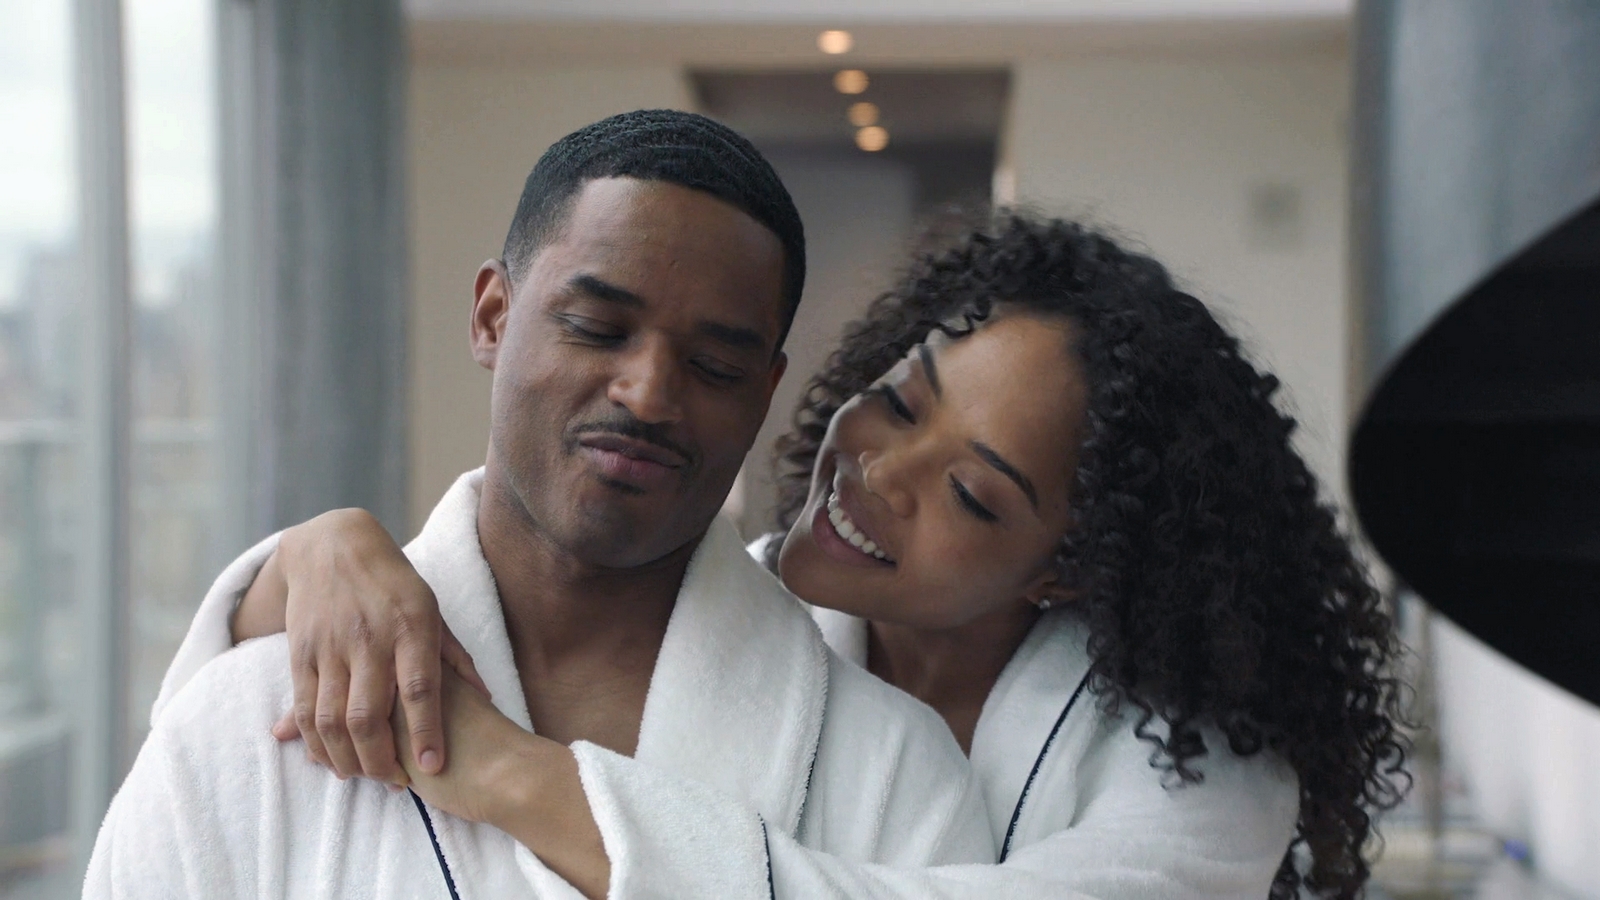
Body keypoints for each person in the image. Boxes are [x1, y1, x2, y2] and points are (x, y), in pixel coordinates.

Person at [161, 212, 1411, 899]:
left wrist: (493, 766)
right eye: (900, 401)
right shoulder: (743, 618)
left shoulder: (1199, 764)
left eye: (971, 495)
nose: (878, 472)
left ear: (1066, 570)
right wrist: (319, 555)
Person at [83, 110, 997, 899]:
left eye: (715, 365)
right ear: (492, 315)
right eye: (597, 327)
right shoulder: (250, 719)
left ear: (764, 391)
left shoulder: (892, 773)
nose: (648, 392)